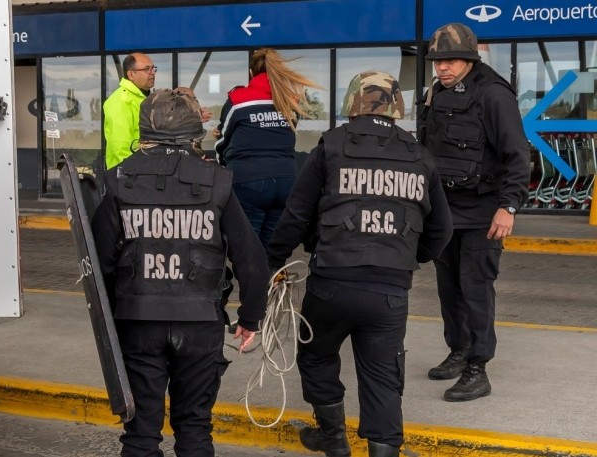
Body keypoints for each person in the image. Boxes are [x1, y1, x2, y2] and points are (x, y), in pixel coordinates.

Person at [267, 71, 453, 457]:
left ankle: (332, 437)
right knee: (383, 376)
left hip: (332, 280)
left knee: (316, 354)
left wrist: (269, 263)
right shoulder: (420, 155)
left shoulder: (330, 146)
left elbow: (296, 214)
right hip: (390, 288)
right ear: (395, 106)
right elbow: (442, 229)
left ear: (353, 102)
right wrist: (410, 258)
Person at [92, 89, 269, 457]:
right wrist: (250, 317)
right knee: (194, 429)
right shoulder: (218, 180)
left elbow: (101, 263)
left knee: (141, 434)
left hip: (138, 322)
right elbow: (251, 258)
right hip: (200, 323)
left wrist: (113, 320)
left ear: (145, 129)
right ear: (195, 132)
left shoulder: (116, 180)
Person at [418, 23, 530, 402]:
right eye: (437, 61)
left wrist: (508, 207)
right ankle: (459, 350)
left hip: (484, 212)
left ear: (469, 59)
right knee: (449, 291)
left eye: (449, 61)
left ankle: (477, 369)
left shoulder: (494, 95)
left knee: (476, 290)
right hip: (446, 211)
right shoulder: (437, 92)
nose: (442, 68)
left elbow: (518, 156)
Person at [213, 48, 322, 248]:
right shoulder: (289, 101)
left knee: (248, 249)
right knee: (270, 247)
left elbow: (223, 140)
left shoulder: (238, 99)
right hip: (286, 179)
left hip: (249, 180)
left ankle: (255, 279)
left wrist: (221, 163)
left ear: (251, 73)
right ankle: (274, 277)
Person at [103, 52, 156, 169]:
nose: (152, 72)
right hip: (129, 179)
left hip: (143, 175)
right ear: (131, 74)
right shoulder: (121, 101)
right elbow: (120, 149)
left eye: (153, 68)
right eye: (147, 69)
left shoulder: (145, 98)